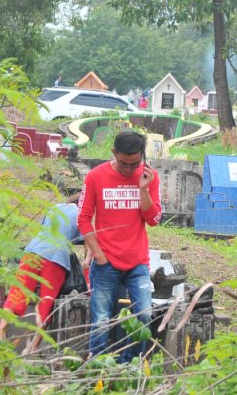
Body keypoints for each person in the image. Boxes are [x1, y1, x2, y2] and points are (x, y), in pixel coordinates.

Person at [78, 131, 161, 361]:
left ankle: (128, 366)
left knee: (144, 315)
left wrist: (143, 189)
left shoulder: (149, 177)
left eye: (134, 164)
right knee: (102, 320)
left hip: (137, 263)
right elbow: (83, 219)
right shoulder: (95, 177)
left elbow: (153, 220)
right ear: (113, 153)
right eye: (123, 163)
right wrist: (98, 254)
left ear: (142, 157)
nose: (128, 169)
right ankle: (98, 370)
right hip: (105, 263)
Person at [0, 198, 84, 353]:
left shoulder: (54, 208)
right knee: (45, 304)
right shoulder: (81, 213)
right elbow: (85, 238)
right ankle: (32, 349)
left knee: (16, 295)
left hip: (33, 251)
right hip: (56, 257)